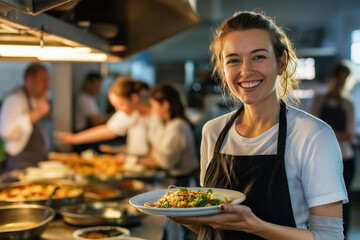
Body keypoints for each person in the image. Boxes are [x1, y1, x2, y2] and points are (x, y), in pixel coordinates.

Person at [171, 11, 348, 240]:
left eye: (258, 57)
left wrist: (254, 226)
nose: (246, 71)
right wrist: (188, 218)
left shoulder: (313, 135)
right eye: (233, 60)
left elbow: (331, 237)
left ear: (281, 62)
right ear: (223, 71)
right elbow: (216, 228)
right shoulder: (213, 131)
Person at [310, 61, 356, 239]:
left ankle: (344, 236)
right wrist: (336, 134)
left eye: (345, 79)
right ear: (333, 77)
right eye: (339, 77)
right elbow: (312, 127)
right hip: (322, 158)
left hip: (345, 158)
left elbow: (350, 133)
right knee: (322, 199)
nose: (341, 82)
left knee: (344, 201)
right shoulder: (319, 99)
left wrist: (326, 133)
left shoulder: (348, 104)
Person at [60, 76, 162, 157]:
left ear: (134, 98)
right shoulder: (130, 113)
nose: (118, 109)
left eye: (121, 104)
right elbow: (108, 130)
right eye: (115, 106)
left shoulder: (158, 115)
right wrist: (74, 139)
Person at [135, 83, 199, 187]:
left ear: (165, 105)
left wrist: (134, 160)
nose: (153, 110)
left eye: (153, 106)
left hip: (180, 183)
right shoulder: (171, 124)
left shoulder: (178, 126)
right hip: (175, 181)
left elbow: (165, 162)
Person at [0, 63, 50, 172]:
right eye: (43, 80)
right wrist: (36, 113)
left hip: (37, 164)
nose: (47, 85)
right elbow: (6, 132)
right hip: (20, 165)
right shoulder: (14, 100)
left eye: (47, 80)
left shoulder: (36, 99)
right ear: (29, 79)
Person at [73, 72, 111, 153]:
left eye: (99, 87)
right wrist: (114, 115)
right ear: (87, 83)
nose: (98, 90)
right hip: (85, 141)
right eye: (96, 86)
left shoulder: (89, 98)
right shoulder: (84, 99)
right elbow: (95, 121)